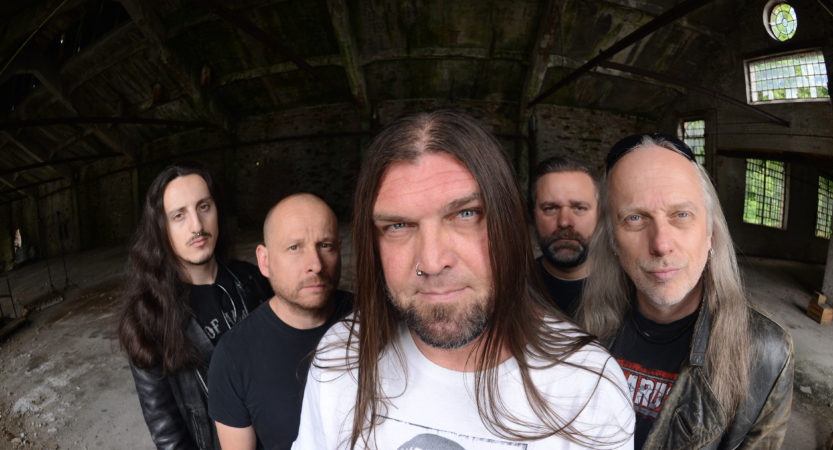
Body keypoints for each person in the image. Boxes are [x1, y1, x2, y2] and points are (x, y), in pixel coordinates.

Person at [294, 110, 634, 449]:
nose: (431, 262)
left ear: (509, 223)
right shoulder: (342, 355)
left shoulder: (587, 386)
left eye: (465, 214)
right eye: (398, 225)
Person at [579, 134, 793, 449]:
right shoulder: (583, 327)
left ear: (710, 233)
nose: (661, 244)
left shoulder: (766, 353)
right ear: (612, 240)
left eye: (681, 215)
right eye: (635, 218)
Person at [118, 163, 272, 450]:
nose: (197, 226)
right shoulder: (148, 318)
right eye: (179, 215)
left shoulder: (252, 280)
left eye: (204, 207)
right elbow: (168, 433)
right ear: (161, 228)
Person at [207, 193, 352, 450]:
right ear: (264, 261)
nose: (316, 265)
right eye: (294, 247)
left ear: (339, 249)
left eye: (325, 245)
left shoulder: (375, 321)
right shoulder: (233, 357)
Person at [532, 156, 600, 316]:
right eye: (550, 208)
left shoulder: (632, 291)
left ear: (600, 215)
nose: (564, 222)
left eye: (579, 208)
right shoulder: (509, 289)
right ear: (533, 215)